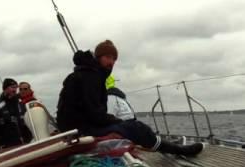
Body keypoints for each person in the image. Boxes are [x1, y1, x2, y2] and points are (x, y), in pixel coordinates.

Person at [56, 40, 203, 156]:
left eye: (114, 59)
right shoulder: (90, 77)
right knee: (136, 127)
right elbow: (95, 115)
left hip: (75, 128)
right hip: (80, 130)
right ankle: (176, 150)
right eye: (108, 57)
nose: (111, 62)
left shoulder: (87, 74)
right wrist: (117, 121)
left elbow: (91, 112)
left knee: (128, 126)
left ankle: (163, 145)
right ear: (98, 57)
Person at [0, 78, 33, 152]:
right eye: (12, 87)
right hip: (4, 145)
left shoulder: (19, 103)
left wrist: (28, 138)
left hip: (20, 143)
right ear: (5, 89)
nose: (14, 90)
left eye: (15, 87)